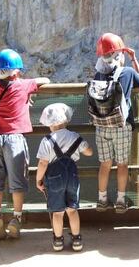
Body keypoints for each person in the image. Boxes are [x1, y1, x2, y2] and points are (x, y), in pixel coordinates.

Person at [0, 49, 50, 240]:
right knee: (18, 182)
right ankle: (16, 219)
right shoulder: (24, 85)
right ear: (16, 71)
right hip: (15, 139)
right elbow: (45, 80)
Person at [93, 33, 139, 213]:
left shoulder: (98, 75)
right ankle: (121, 201)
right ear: (118, 54)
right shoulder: (128, 73)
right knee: (122, 164)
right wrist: (133, 59)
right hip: (121, 126)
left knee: (105, 164)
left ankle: (102, 199)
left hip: (101, 125)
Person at [36, 103, 93, 251]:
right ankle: (76, 240)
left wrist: (38, 180)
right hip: (72, 177)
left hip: (54, 179)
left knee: (57, 212)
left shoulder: (47, 140)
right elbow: (88, 152)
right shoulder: (75, 136)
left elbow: (43, 163)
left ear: (49, 122)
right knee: (72, 210)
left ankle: (58, 241)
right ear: (66, 120)